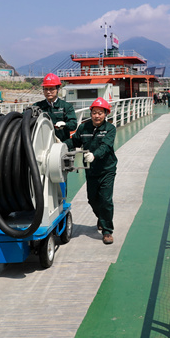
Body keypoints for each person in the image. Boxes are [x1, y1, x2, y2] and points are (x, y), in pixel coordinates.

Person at [66, 97, 117, 244]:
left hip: (107, 169)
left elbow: (106, 147)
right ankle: (102, 218)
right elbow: (75, 141)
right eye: (94, 112)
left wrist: (94, 155)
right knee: (92, 199)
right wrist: (60, 144)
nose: (97, 116)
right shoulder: (84, 128)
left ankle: (107, 231)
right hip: (90, 169)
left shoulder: (110, 129)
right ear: (91, 113)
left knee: (106, 199)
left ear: (106, 114)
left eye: (100, 113)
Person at [35, 73, 77, 142]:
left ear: (58, 89)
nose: (48, 92)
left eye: (51, 89)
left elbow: (73, 124)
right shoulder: (37, 106)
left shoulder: (66, 106)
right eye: (46, 89)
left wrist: (65, 124)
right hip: (43, 145)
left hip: (62, 144)